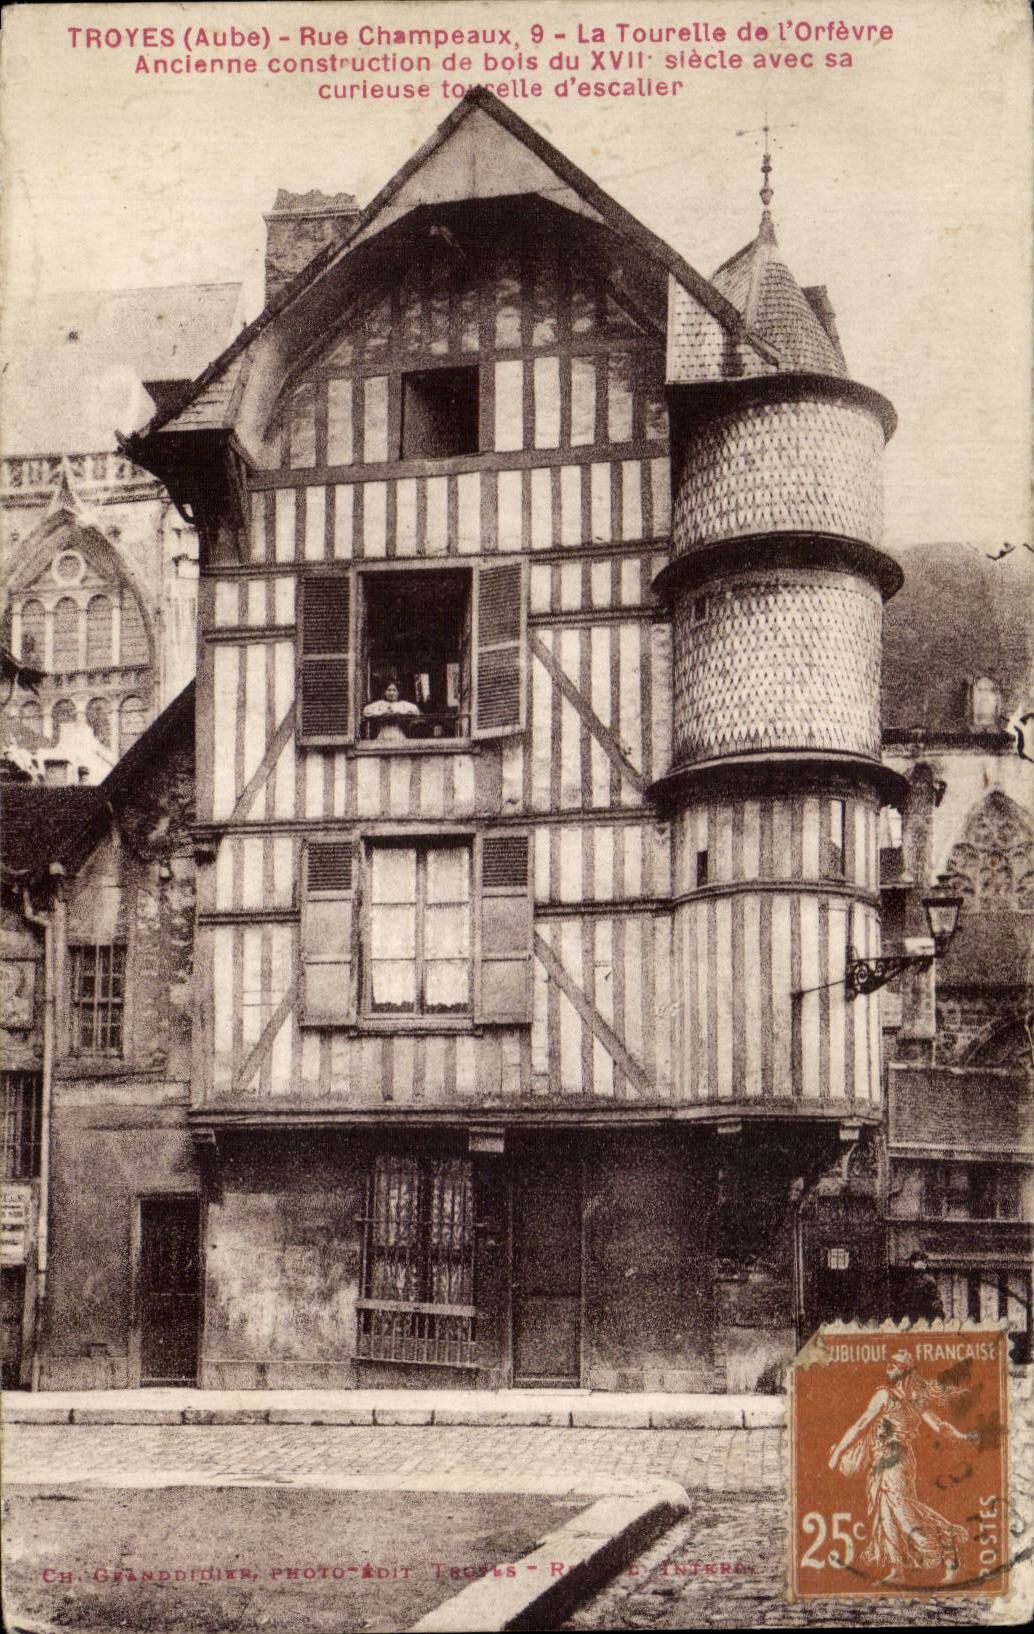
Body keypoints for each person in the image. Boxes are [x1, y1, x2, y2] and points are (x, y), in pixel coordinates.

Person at [827, 1350, 977, 1584]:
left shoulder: (896, 1397)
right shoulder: (902, 1397)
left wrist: (837, 1452)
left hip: (895, 1461)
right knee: (886, 1513)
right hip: (885, 1460)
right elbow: (862, 1424)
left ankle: (948, 1551)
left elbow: (938, 1426)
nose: (889, 1368)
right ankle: (897, 1570)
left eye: (894, 1365)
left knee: (904, 1513)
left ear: (905, 1371)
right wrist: (964, 1436)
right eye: (889, 1364)